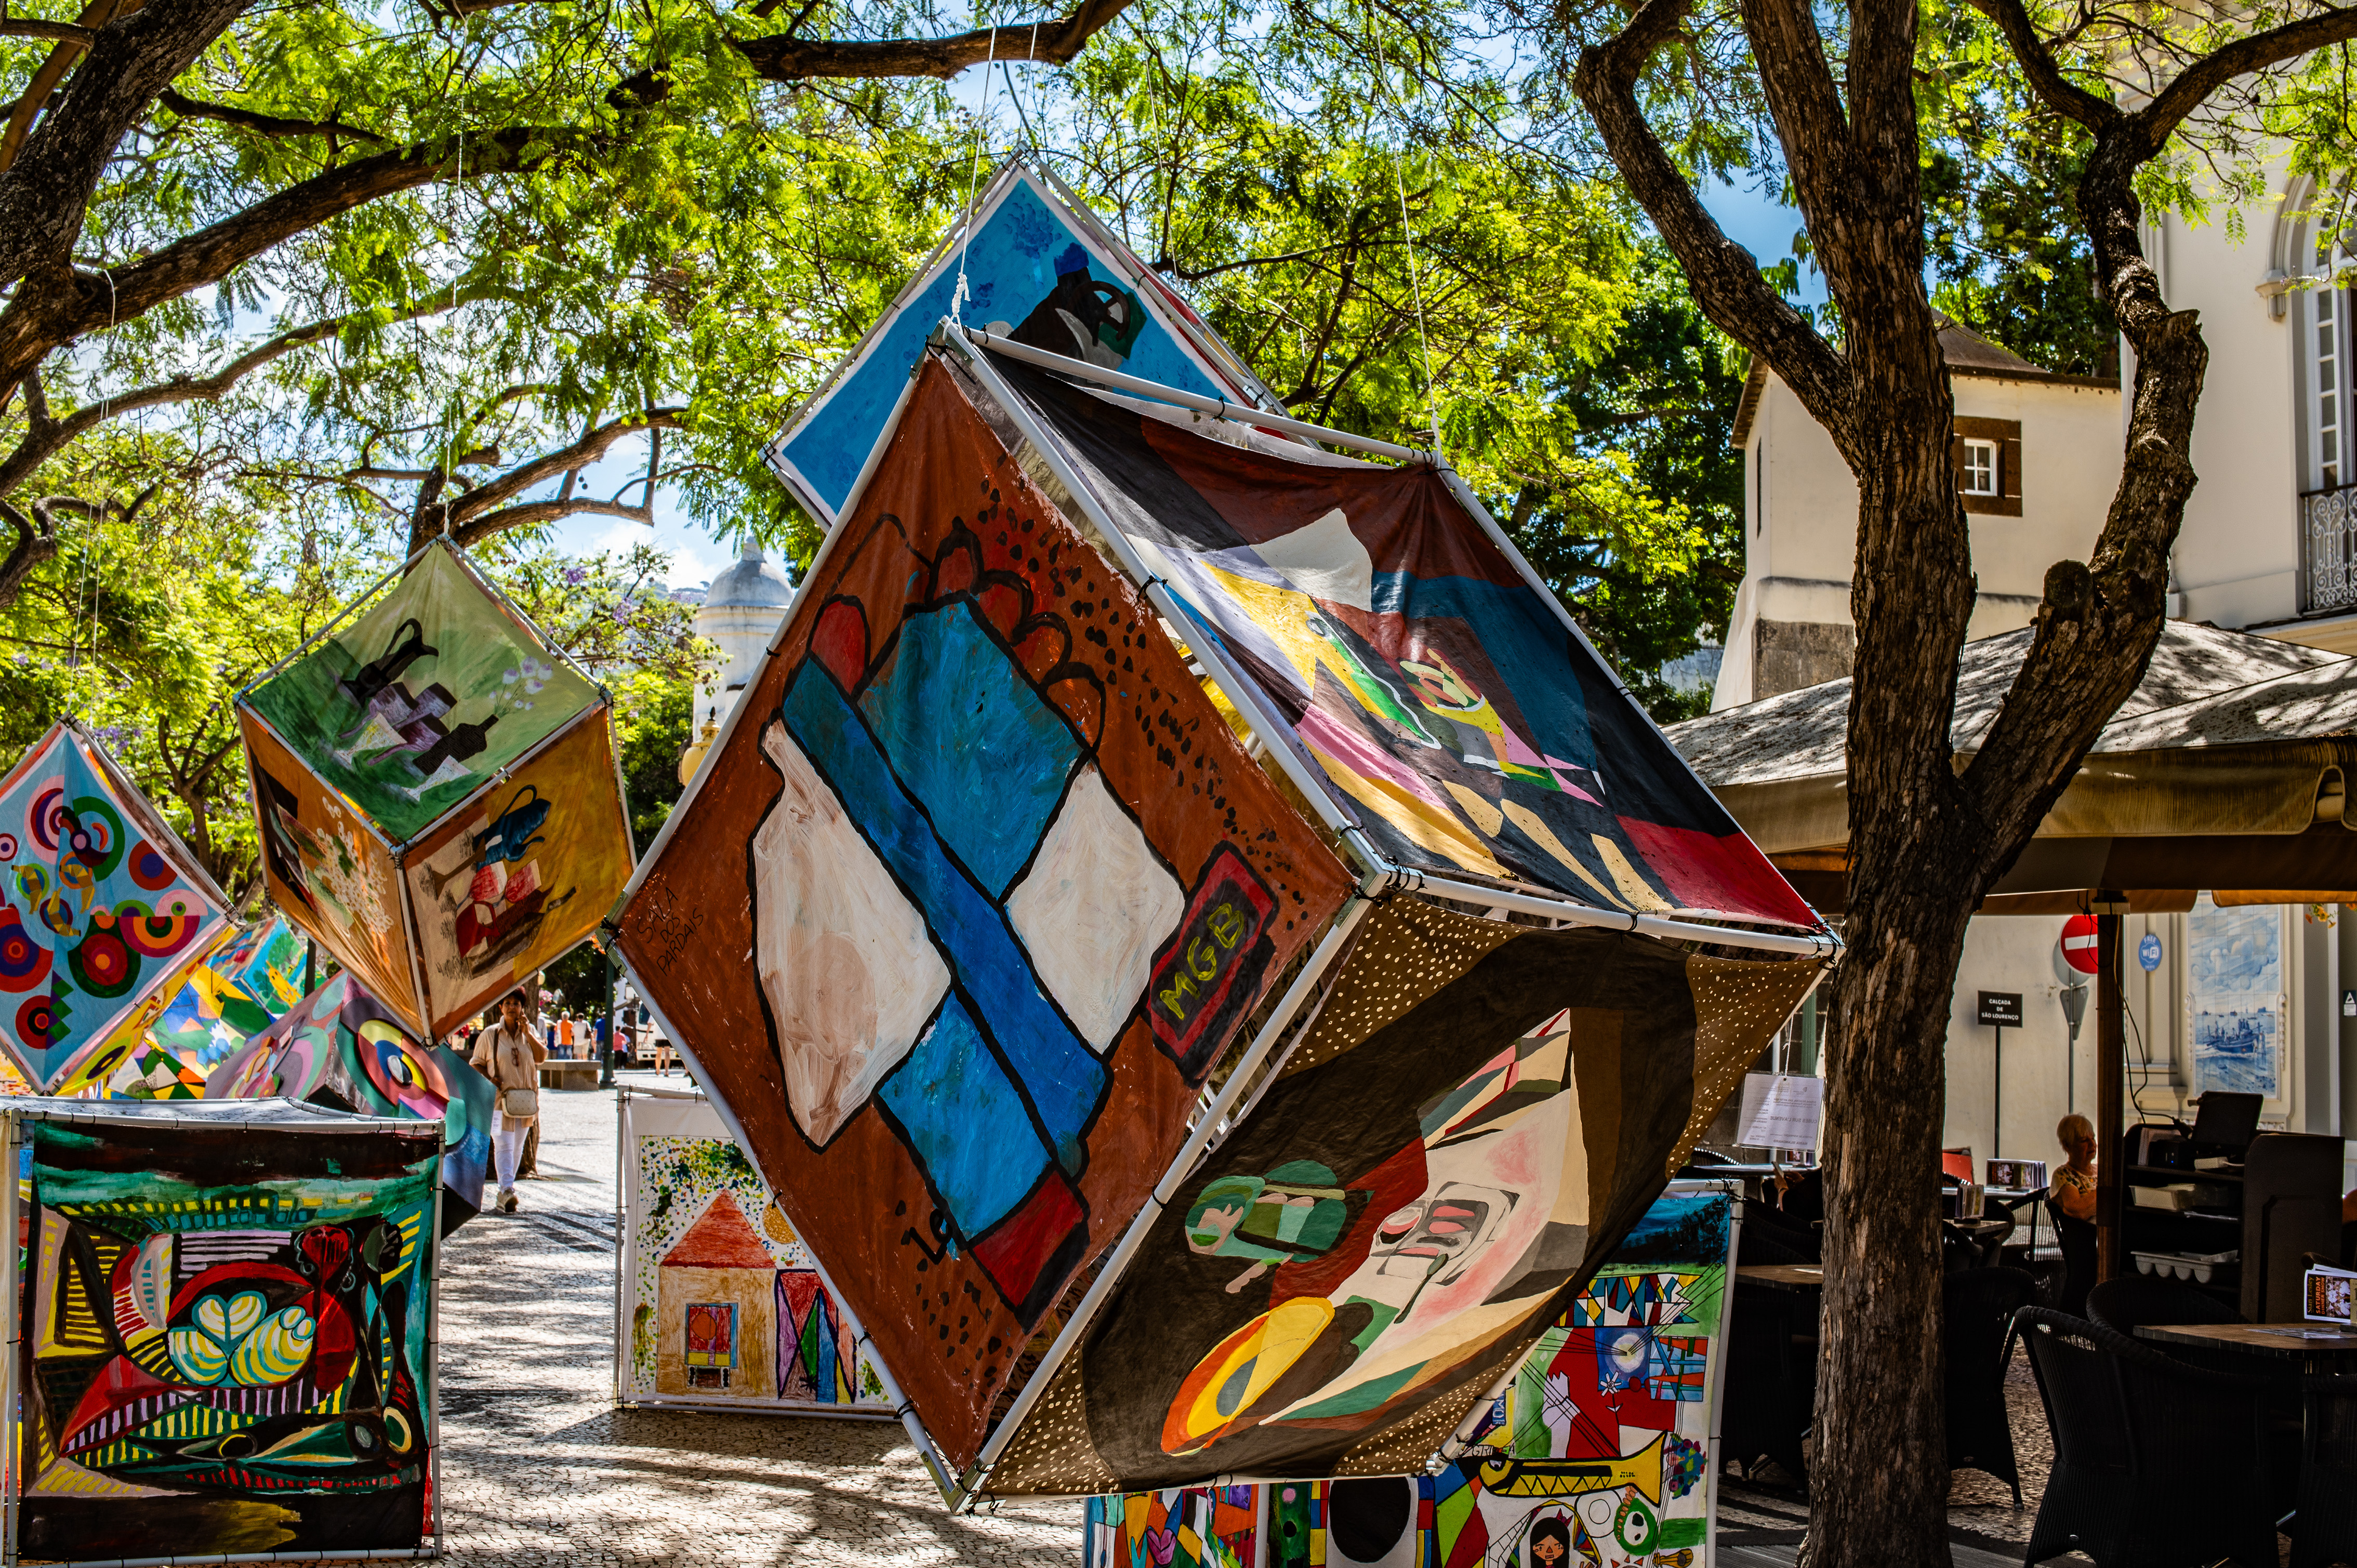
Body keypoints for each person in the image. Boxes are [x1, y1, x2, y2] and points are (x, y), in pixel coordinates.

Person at [470, 990, 546, 1213]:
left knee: (517, 1147)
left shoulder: (529, 1032)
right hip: (499, 1101)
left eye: (516, 1004)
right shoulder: (490, 1034)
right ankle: (506, 1190)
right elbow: (476, 1064)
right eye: (508, 1003)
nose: (512, 1007)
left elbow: (541, 1057)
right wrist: (489, 1079)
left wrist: (528, 1034)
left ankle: (506, 1190)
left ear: (523, 1008)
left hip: (525, 1100)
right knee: (503, 1143)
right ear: (501, 1007)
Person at [2054, 1112, 2098, 1222]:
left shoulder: (2101, 1170)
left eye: (2093, 1138)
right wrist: (2104, 1193)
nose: (2093, 1144)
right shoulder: (2064, 1174)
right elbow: (2078, 1211)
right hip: (2088, 1237)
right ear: (2067, 1145)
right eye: (2084, 1140)